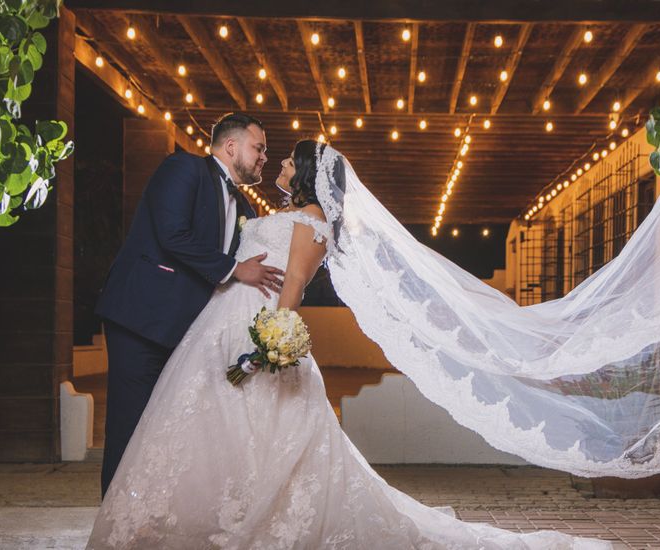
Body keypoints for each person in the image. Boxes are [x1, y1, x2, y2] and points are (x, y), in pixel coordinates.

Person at [86, 140, 611, 549]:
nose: (281, 168)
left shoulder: (312, 222)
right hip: (218, 329)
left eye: (290, 163)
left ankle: (244, 522)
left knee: (255, 436)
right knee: (213, 432)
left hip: (256, 331)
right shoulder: (288, 213)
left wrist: (270, 343)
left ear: (311, 174)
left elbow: (291, 286)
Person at [94, 113, 284, 496]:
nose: (264, 157)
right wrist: (235, 269)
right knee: (130, 427)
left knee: (170, 432)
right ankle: (115, 522)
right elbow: (172, 233)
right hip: (142, 319)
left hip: (188, 335)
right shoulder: (184, 168)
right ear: (231, 146)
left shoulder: (245, 207)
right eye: (258, 147)